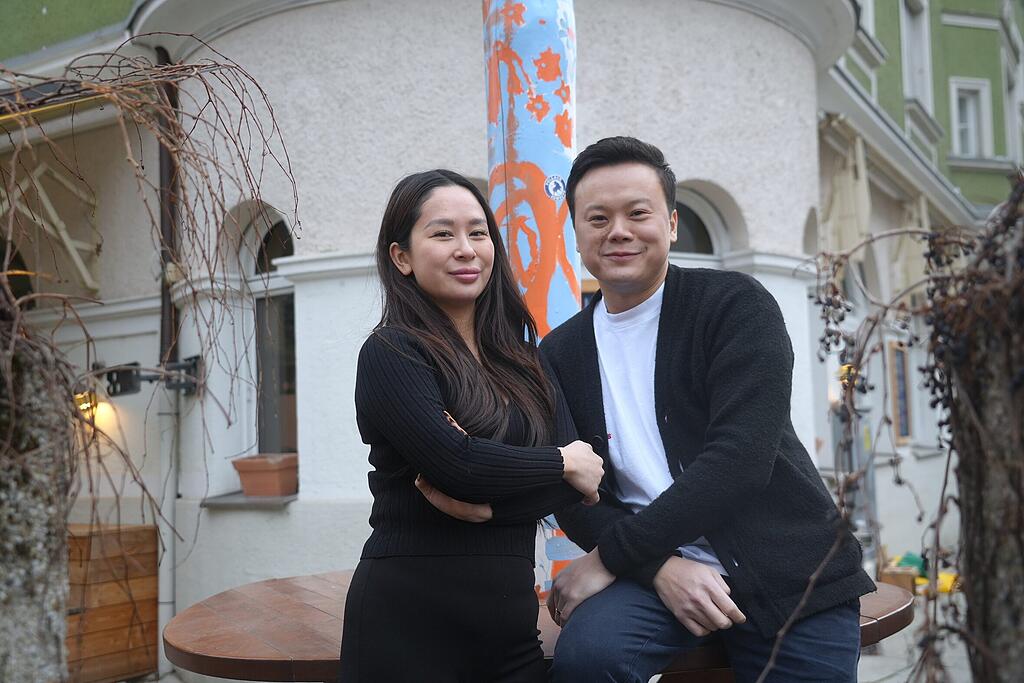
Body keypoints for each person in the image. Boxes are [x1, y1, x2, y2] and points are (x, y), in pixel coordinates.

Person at [423, 138, 876, 682]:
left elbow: (740, 461)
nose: (618, 231)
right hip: (650, 577)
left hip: (789, 570)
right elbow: (573, 491)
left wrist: (609, 558)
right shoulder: (559, 354)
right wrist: (659, 566)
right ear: (576, 234)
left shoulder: (735, 305)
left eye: (638, 213)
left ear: (673, 223)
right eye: (598, 218)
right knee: (587, 661)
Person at [339, 169, 604, 683]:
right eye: (443, 234)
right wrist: (558, 461)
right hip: (406, 625)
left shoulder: (526, 360)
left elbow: (577, 485)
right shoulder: (393, 352)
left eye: (478, 233)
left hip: (509, 634)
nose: (466, 249)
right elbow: (460, 466)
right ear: (402, 257)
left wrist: (491, 502)